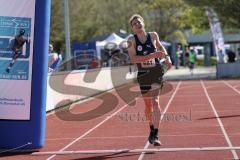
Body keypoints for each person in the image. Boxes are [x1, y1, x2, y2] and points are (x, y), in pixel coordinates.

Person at [127, 14, 172, 146]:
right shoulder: (131, 40)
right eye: (134, 24)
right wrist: (152, 55)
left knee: (156, 101)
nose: (137, 25)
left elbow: (160, 47)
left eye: (139, 22)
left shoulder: (153, 35)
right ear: (132, 28)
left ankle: (156, 133)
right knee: (148, 106)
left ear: (143, 23)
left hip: (156, 71)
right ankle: (151, 128)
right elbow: (133, 59)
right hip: (143, 73)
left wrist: (167, 57)